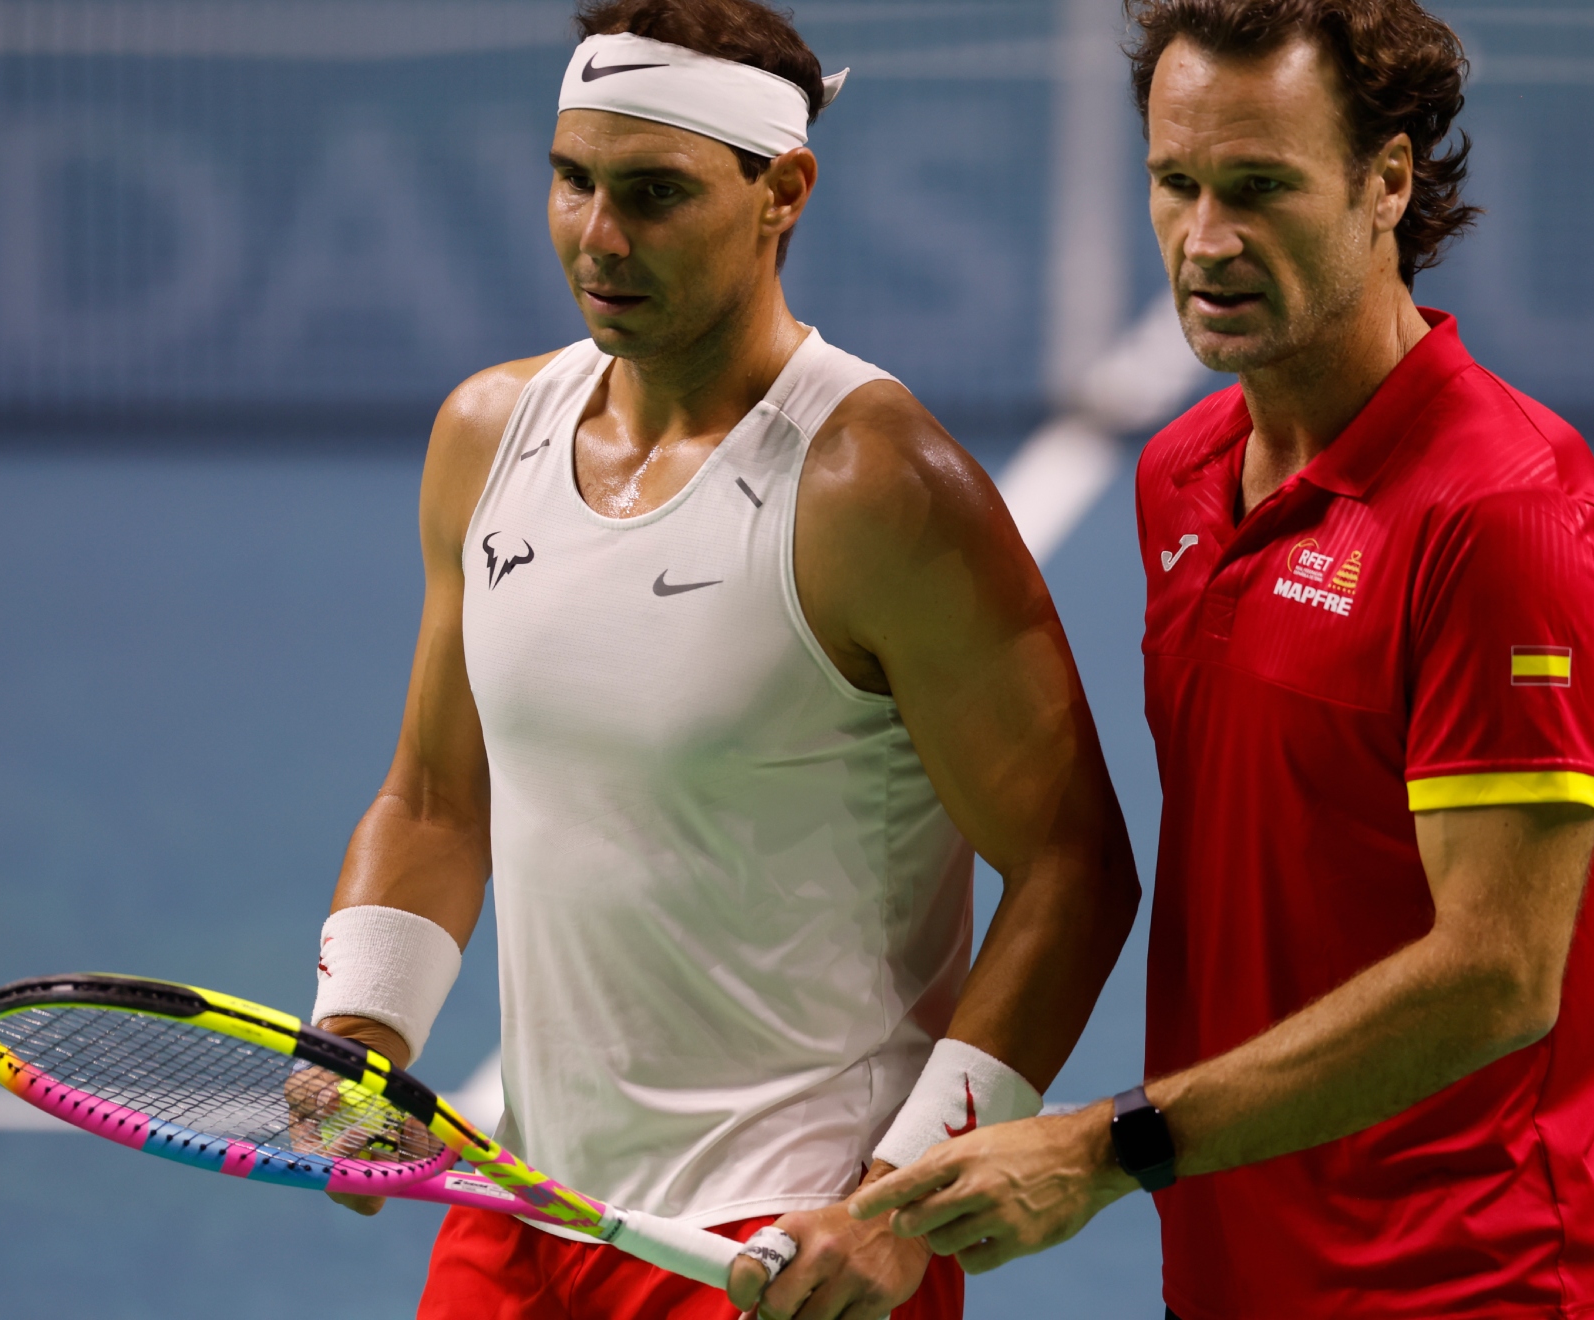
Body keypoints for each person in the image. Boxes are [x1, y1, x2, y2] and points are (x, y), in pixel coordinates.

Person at [303, 1, 1142, 1317]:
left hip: (790, 1249)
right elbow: (434, 796)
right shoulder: (486, 435)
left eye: (655, 193)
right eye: (573, 179)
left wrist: (902, 1200)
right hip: (527, 1212)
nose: (599, 235)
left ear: (782, 192)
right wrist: (363, 1030)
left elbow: (1075, 866)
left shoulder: (879, 487)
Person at [851, 2, 1594, 1317]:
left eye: (1262, 188)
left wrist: (1108, 1148)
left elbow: (1498, 974)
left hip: (1462, 1280)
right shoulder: (1185, 475)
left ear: (1389, 179)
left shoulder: (1501, 516)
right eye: (1178, 182)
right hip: (1236, 1263)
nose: (1206, 240)